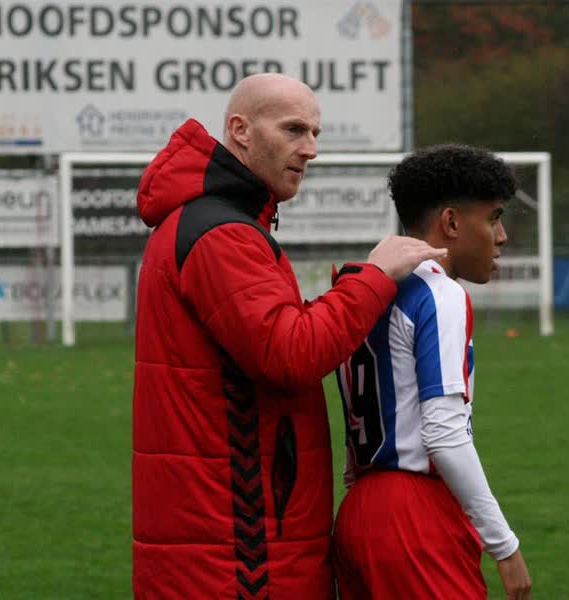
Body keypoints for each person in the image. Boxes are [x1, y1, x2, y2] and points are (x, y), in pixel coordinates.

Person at [131, 73, 445, 600]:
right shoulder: (222, 234)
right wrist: (374, 278)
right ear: (241, 130)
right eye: (294, 130)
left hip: (231, 534)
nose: (311, 149)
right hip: (238, 548)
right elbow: (290, 353)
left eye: (315, 133)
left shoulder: (218, 222)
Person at [332, 144, 533, 600]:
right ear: (451, 223)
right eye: (494, 218)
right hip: (414, 517)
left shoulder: (365, 286)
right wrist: (504, 546)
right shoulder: (440, 294)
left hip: (358, 510)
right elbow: (443, 433)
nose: (502, 236)